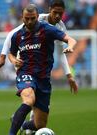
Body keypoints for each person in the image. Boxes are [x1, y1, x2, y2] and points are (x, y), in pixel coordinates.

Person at [7, 4, 77, 135]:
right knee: (28, 100)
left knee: (40, 124)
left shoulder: (48, 30)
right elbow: (11, 53)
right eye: (26, 18)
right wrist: (13, 60)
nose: (29, 21)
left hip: (43, 79)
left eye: (32, 18)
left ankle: (20, 123)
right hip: (25, 73)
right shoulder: (17, 35)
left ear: (37, 17)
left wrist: (71, 46)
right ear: (22, 17)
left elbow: (70, 39)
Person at [0, 0, 78, 94]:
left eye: (60, 13)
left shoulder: (60, 28)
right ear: (50, 10)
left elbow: (60, 53)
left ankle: (30, 105)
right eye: (55, 12)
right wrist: (3, 56)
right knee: (30, 94)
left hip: (41, 65)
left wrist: (69, 76)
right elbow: (12, 34)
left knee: (38, 100)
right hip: (24, 58)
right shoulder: (36, 18)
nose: (57, 16)